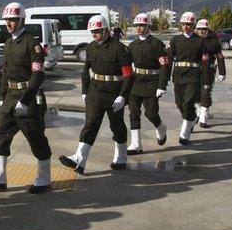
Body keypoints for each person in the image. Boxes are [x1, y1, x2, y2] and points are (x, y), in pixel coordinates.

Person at [0, 2, 52, 193]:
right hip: (10, 96)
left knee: (36, 138)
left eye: (12, 20)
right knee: (0, 134)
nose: (8, 23)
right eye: (7, 20)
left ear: (21, 20)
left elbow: (38, 74)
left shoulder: (31, 43)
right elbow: (5, 72)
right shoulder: (9, 43)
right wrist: (2, 96)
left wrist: (25, 100)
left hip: (28, 98)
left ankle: (44, 178)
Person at [59, 14, 133, 173]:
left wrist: (123, 96)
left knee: (117, 126)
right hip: (95, 92)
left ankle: (121, 156)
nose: (94, 34)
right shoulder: (90, 47)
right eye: (92, 31)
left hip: (114, 94)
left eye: (98, 31)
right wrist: (85, 91)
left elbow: (128, 75)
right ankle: (80, 159)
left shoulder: (119, 49)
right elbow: (86, 71)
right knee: (90, 124)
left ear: (106, 29)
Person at [125, 13, 170, 153]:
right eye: (137, 25)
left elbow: (165, 66)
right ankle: (136, 144)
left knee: (151, 114)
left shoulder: (157, 44)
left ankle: (161, 128)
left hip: (152, 82)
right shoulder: (132, 45)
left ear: (148, 26)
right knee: (133, 114)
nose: (139, 28)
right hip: (135, 82)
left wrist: (162, 85)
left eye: (142, 25)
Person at [163, 11, 208, 145]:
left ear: (193, 25)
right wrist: (164, 80)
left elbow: (205, 62)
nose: (186, 27)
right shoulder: (176, 40)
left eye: (188, 24)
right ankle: (193, 117)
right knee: (179, 103)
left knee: (188, 103)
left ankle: (185, 133)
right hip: (178, 75)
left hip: (193, 75)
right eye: (183, 24)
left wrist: (206, 81)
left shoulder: (200, 41)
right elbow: (169, 60)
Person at [194, 18, 226, 128]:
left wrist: (222, 72)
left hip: (209, 71)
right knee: (195, 95)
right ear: (196, 29)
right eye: (200, 29)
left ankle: (203, 118)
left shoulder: (213, 41)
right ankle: (198, 112)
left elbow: (220, 56)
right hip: (194, 71)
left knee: (206, 93)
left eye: (204, 29)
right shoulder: (192, 40)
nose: (202, 31)